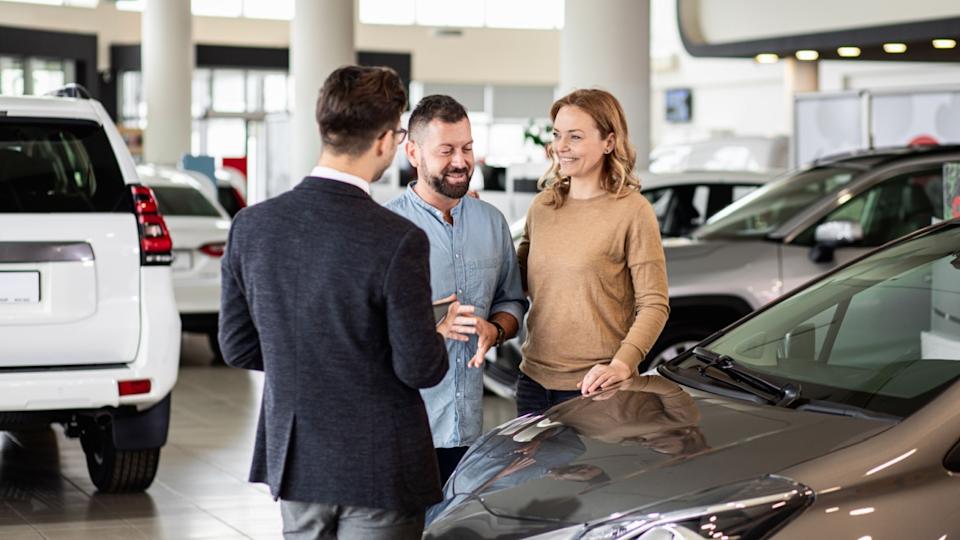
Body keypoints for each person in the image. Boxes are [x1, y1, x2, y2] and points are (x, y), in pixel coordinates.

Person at [219, 65, 458, 540]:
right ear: (387, 142)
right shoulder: (397, 239)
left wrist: (313, 353)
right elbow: (419, 369)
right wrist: (431, 329)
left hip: (297, 459)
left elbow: (237, 347)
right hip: (379, 464)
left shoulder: (253, 226)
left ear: (323, 128)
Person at [385, 95, 527, 485]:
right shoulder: (386, 229)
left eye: (467, 148)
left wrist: (494, 329)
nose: (461, 161)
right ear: (413, 152)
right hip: (405, 431)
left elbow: (511, 300)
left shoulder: (492, 223)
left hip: (467, 434)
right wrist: (433, 330)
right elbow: (365, 335)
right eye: (446, 150)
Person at [516, 88, 670, 416]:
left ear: (609, 142)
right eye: (557, 135)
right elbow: (518, 280)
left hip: (597, 390)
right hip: (533, 383)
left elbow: (654, 304)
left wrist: (622, 365)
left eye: (575, 136)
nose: (561, 147)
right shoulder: (543, 205)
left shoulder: (633, 211)